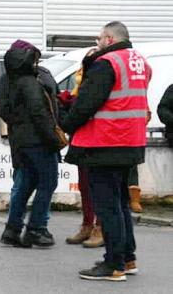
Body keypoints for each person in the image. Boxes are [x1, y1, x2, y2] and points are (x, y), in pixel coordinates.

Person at [61, 21, 150, 282]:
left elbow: (86, 103)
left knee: (108, 206)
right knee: (121, 203)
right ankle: (127, 257)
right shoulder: (139, 61)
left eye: (100, 38)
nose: (97, 43)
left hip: (105, 142)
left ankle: (113, 264)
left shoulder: (107, 63)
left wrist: (65, 123)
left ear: (110, 39)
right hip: (130, 141)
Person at [0, 39, 61, 248]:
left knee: (25, 183)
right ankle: (36, 228)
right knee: (48, 182)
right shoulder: (31, 82)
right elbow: (39, 113)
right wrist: (53, 139)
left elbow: (4, 112)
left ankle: (12, 228)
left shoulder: (5, 81)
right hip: (39, 141)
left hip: (19, 141)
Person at [60, 49, 104, 248]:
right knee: (85, 184)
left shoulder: (104, 73)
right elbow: (80, 99)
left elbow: (89, 103)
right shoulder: (85, 73)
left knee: (101, 186)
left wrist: (69, 118)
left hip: (100, 137)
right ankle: (87, 224)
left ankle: (100, 227)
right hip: (82, 136)